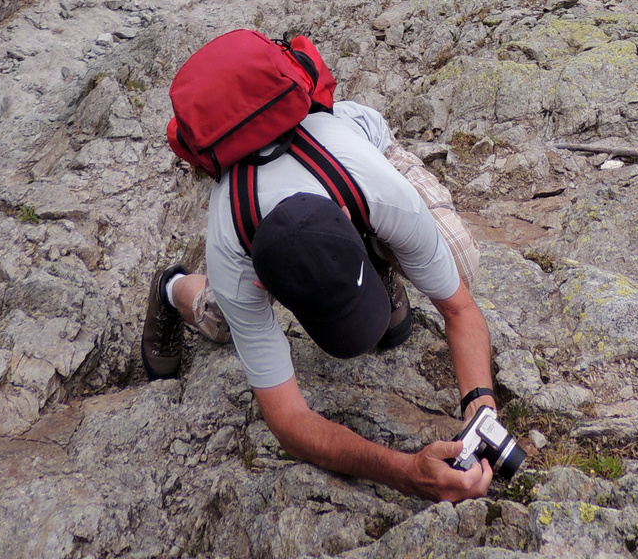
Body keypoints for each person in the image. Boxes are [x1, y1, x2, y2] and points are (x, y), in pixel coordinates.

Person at [140, 99, 497, 504]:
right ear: (264, 285)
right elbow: (290, 421)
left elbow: (460, 308)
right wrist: (406, 473)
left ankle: (376, 253)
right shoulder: (233, 262)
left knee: (458, 264)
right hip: (280, 221)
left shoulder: (384, 193)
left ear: (346, 216)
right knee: (222, 325)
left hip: (357, 159)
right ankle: (170, 286)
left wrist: (480, 403)